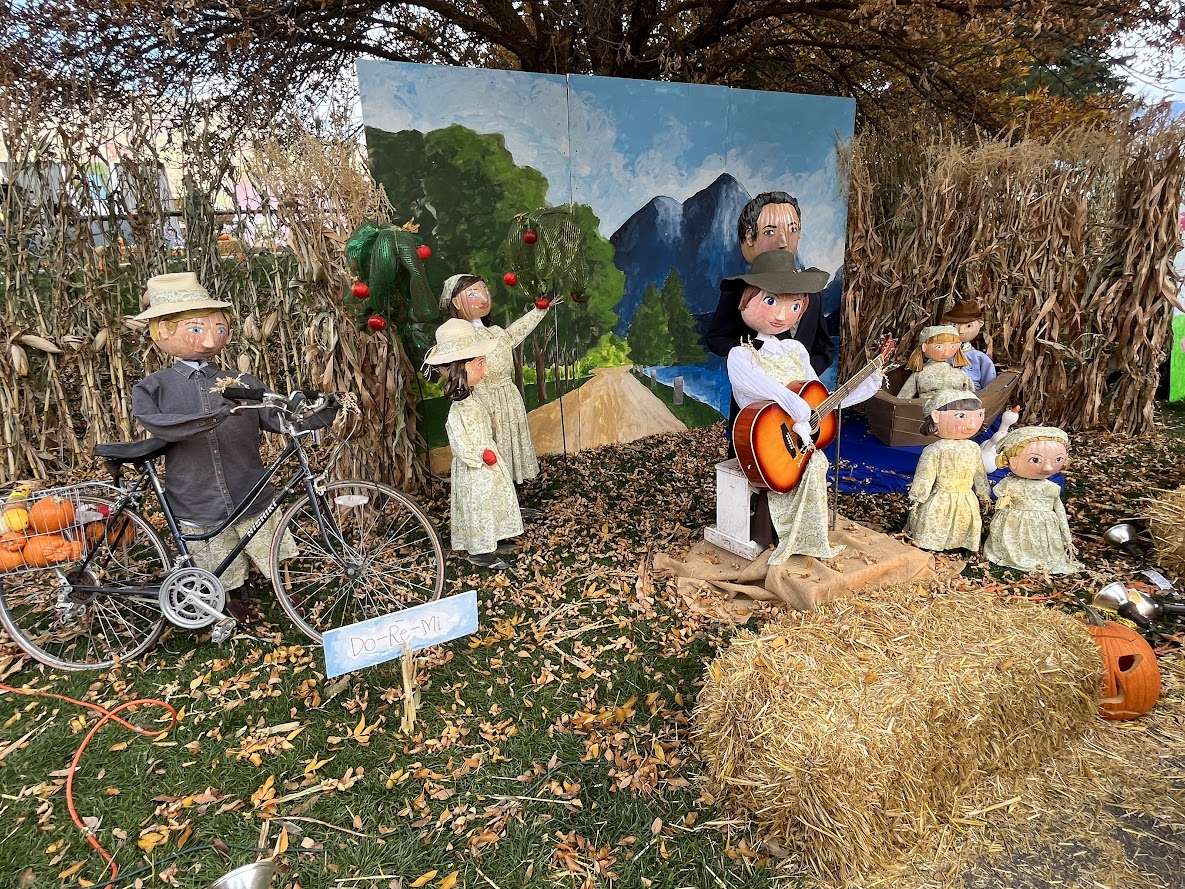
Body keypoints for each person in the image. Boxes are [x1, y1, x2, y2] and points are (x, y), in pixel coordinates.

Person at [130, 272, 336, 604]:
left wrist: (313, 409)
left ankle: (281, 587)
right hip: (197, 494)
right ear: (162, 332)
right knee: (215, 555)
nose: (210, 340)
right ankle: (232, 598)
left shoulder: (238, 380)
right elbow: (157, 422)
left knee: (264, 536)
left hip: (247, 484)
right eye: (196, 329)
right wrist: (209, 418)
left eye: (218, 328)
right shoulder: (155, 386)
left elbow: (274, 412)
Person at [724, 251, 882, 563]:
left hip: (798, 436)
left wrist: (861, 389)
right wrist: (794, 405)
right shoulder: (741, 355)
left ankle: (803, 535)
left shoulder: (795, 349)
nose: (782, 315)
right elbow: (762, 390)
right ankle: (773, 532)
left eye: (794, 305)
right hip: (765, 436)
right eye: (771, 302)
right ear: (747, 300)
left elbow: (817, 398)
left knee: (817, 461)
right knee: (798, 466)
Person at [706, 193, 835, 444]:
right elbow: (716, 338)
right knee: (748, 457)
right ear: (748, 239)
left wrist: (800, 379)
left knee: (801, 458)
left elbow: (824, 347)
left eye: (793, 229)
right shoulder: (739, 292)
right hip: (755, 406)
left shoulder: (813, 296)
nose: (783, 241)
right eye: (769, 232)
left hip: (801, 403)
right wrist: (754, 356)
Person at [439, 274, 556, 500]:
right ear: (455, 302)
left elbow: (513, 335)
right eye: (472, 293)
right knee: (491, 443)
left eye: (484, 290)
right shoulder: (460, 335)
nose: (483, 297)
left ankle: (510, 491)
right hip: (484, 399)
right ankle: (495, 496)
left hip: (507, 395)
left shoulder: (494, 332)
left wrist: (538, 312)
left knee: (509, 440)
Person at [423, 318, 523, 570]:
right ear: (462, 368)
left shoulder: (474, 397)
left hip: (489, 460)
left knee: (493, 501)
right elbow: (459, 441)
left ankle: (493, 538)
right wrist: (479, 456)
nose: (486, 370)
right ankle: (480, 552)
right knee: (480, 505)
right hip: (477, 467)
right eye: (480, 364)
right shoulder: (459, 409)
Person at [984, 426, 1082, 574]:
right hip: (1014, 521)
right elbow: (999, 494)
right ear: (1012, 461)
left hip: (1043, 526)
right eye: (1035, 459)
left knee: (1039, 544)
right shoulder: (1010, 483)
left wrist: (1066, 536)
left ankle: (1037, 555)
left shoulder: (1051, 488)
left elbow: (1059, 509)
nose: (1048, 467)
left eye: (1058, 459)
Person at [906, 390, 991, 553]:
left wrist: (982, 492)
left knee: (960, 521)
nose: (971, 424)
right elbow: (925, 477)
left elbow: (979, 472)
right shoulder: (935, 450)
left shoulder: (973, 448)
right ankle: (939, 543)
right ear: (936, 417)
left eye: (977, 416)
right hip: (944, 497)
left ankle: (956, 543)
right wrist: (918, 497)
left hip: (964, 496)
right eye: (961, 416)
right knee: (939, 520)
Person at [896, 325, 974, 400]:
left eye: (952, 346)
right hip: (928, 410)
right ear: (924, 347)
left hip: (955, 410)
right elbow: (903, 399)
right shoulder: (919, 374)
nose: (946, 352)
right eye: (939, 347)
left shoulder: (960, 373)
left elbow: (971, 396)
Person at [941, 299, 997, 390]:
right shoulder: (940, 354)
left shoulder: (979, 358)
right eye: (955, 325)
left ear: (980, 324)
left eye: (968, 326)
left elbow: (990, 387)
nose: (961, 331)